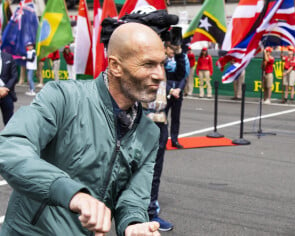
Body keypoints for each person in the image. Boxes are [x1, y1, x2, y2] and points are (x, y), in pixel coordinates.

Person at [0, 22, 165, 236]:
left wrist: (133, 224)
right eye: (148, 64)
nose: (160, 75)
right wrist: (73, 194)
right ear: (115, 66)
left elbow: (134, 196)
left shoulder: (150, 133)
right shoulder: (63, 97)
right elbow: (11, 147)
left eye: (162, 64)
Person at [145, 43, 186, 231]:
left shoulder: (166, 64)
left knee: (155, 173)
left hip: (160, 121)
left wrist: (178, 53)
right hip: (142, 121)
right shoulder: (145, 60)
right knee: (136, 170)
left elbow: (179, 73)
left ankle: (151, 212)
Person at [164, 42, 188, 149]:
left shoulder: (181, 58)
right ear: (166, 48)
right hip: (165, 93)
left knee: (176, 117)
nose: (173, 51)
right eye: (171, 49)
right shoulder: (161, 60)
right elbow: (161, 79)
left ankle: (175, 139)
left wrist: (179, 89)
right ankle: (162, 140)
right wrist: (170, 90)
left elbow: (183, 76)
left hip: (177, 93)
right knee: (162, 118)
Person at [0, 38, 18, 125]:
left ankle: (8, 139)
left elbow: (14, 76)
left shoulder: (8, 57)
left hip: (7, 94)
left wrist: (5, 89)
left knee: (9, 123)